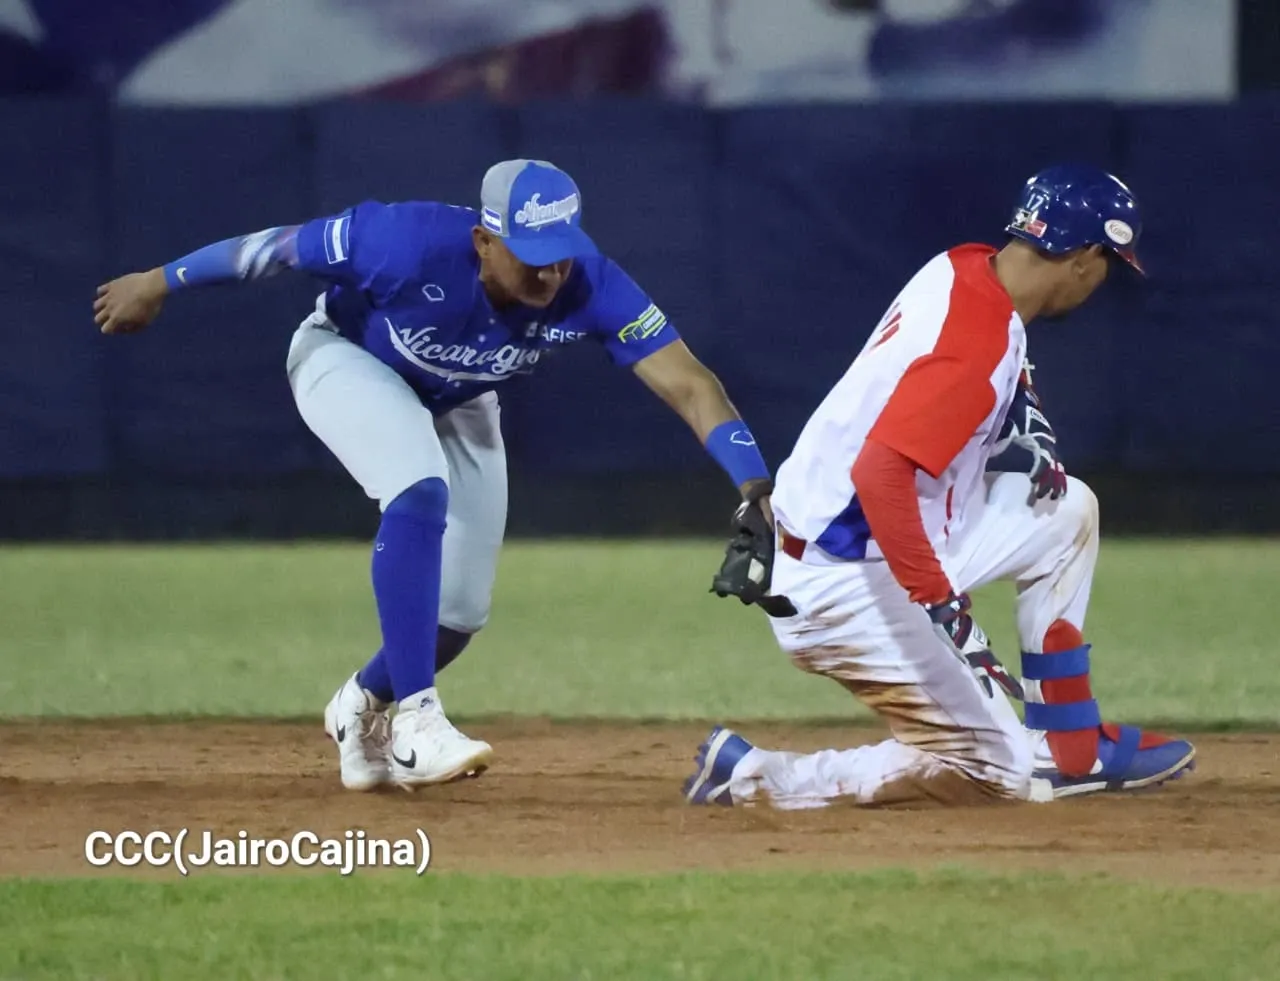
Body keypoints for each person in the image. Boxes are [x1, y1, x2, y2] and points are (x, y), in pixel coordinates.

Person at [94, 159, 776, 791]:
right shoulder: (400, 239)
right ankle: (418, 720)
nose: (551, 273)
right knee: (418, 487)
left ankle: (359, 704)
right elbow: (274, 247)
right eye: (532, 257)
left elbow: (689, 383)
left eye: (561, 251)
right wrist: (156, 281)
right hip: (344, 358)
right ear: (483, 240)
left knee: (458, 613)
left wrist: (755, 486)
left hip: (460, 396)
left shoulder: (589, 280)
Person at [689, 163, 1196, 809]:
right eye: (1108, 264)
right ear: (1085, 256)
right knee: (1005, 773)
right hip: (841, 582)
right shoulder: (975, 345)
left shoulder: (965, 265)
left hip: (870, 539)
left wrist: (1025, 405)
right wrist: (943, 605)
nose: (1102, 282)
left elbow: (987, 357)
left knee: (1067, 510)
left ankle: (1072, 742)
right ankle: (759, 775)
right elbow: (881, 472)